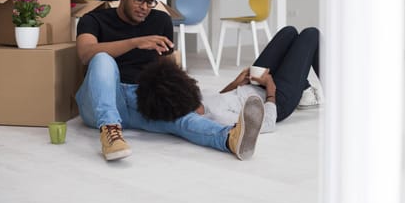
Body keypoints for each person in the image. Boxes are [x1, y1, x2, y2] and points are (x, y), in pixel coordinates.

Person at [74, 0, 264, 161]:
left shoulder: (161, 21)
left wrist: (186, 99)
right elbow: (85, 53)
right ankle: (110, 131)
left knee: (181, 119)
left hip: (140, 98)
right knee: (102, 59)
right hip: (101, 100)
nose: (145, 7)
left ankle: (230, 138)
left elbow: (167, 71)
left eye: (150, 2)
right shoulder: (94, 19)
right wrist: (135, 42)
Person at [136, 26, 321, 133]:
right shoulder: (219, 118)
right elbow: (265, 124)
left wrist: (236, 83)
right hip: (276, 100)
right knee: (311, 34)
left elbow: (220, 97)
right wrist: (271, 90)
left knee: (289, 32)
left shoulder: (196, 101)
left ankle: (303, 89)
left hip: (253, 85)